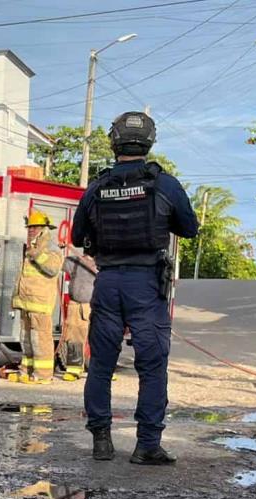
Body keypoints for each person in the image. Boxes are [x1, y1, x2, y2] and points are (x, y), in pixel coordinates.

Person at [70, 112, 198, 465]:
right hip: (145, 283)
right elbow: (189, 228)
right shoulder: (164, 183)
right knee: (152, 365)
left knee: (101, 364)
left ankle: (101, 441)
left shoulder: (97, 187)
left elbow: (76, 236)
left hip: (108, 283)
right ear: (149, 142)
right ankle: (147, 445)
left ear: (113, 141)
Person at [11, 210, 63, 384]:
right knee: (26, 339)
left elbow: (53, 268)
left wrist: (37, 256)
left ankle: (43, 375)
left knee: (40, 340)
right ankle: (26, 370)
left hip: (40, 303)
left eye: (35, 227)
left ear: (44, 228)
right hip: (27, 302)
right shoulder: (32, 247)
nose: (31, 230)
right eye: (30, 227)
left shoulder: (50, 247)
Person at [60, 248, 98, 381]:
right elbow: (57, 264)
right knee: (74, 338)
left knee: (99, 339)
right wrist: (58, 249)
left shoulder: (103, 263)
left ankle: (102, 370)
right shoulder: (75, 261)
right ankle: (74, 369)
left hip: (94, 307)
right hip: (75, 305)